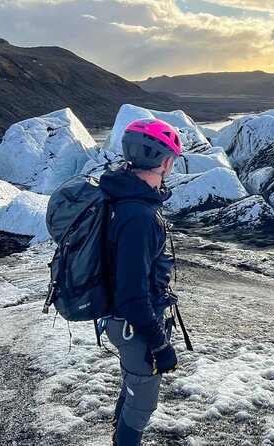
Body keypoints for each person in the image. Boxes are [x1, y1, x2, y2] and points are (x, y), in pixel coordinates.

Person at [98, 118, 183, 446]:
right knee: (141, 402)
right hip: (134, 325)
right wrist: (160, 345)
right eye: (172, 160)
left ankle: (118, 436)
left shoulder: (120, 195)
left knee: (132, 387)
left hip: (122, 321)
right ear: (164, 162)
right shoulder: (140, 217)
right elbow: (133, 294)